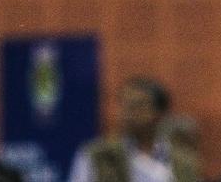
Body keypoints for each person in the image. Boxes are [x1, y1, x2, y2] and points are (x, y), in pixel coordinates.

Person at [67, 77, 198, 182]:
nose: (128, 113)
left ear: (159, 113)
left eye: (138, 106)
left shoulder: (183, 162)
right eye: (124, 106)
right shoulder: (97, 155)